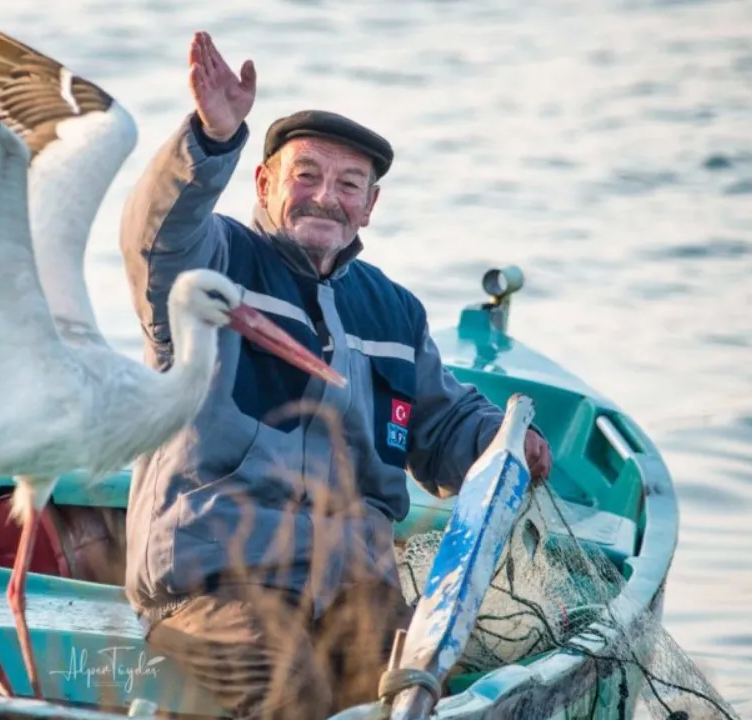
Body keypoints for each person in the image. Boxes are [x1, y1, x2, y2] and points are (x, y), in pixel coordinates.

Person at [118, 31, 553, 720]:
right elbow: (156, 234)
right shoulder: (213, 263)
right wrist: (209, 139)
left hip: (354, 588)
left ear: (370, 207)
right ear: (263, 184)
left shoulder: (394, 311)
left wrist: (498, 441)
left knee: (410, 691)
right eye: (308, 176)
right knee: (292, 691)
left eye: (349, 184)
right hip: (218, 587)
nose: (327, 198)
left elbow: (440, 426)